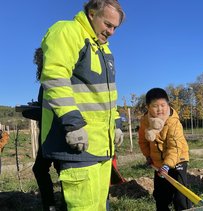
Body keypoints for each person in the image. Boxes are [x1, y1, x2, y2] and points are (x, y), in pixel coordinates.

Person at [39, 1, 125, 210]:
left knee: (99, 206)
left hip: (101, 147)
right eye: (108, 24)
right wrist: (73, 124)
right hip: (77, 144)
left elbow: (107, 96)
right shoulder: (67, 31)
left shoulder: (104, 50)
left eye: (115, 27)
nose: (111, 32)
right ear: (91, 13)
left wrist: (116, 123)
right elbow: (55, 78)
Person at [21, 48, 61, 211]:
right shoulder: (45, 82)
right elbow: (46, 106)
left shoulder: (54, 79)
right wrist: (35, 107)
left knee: (52, 168)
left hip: (55, 134)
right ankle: (53, 205)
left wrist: (30, 112)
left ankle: (53, 205)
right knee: (49, 168)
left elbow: (53, 110)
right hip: (47, 134)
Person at [138, 88, 192, 211]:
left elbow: (175, 147)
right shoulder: (145, 121)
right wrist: (148, 156)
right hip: (158, 163)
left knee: (180, 195)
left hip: (178, 160)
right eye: (155, 106)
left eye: (163, 105)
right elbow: (143, 141)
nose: (160, 109)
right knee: (161, 195)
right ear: (148, 107)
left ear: (168, 105)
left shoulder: (173, 122)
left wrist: (167, 166)